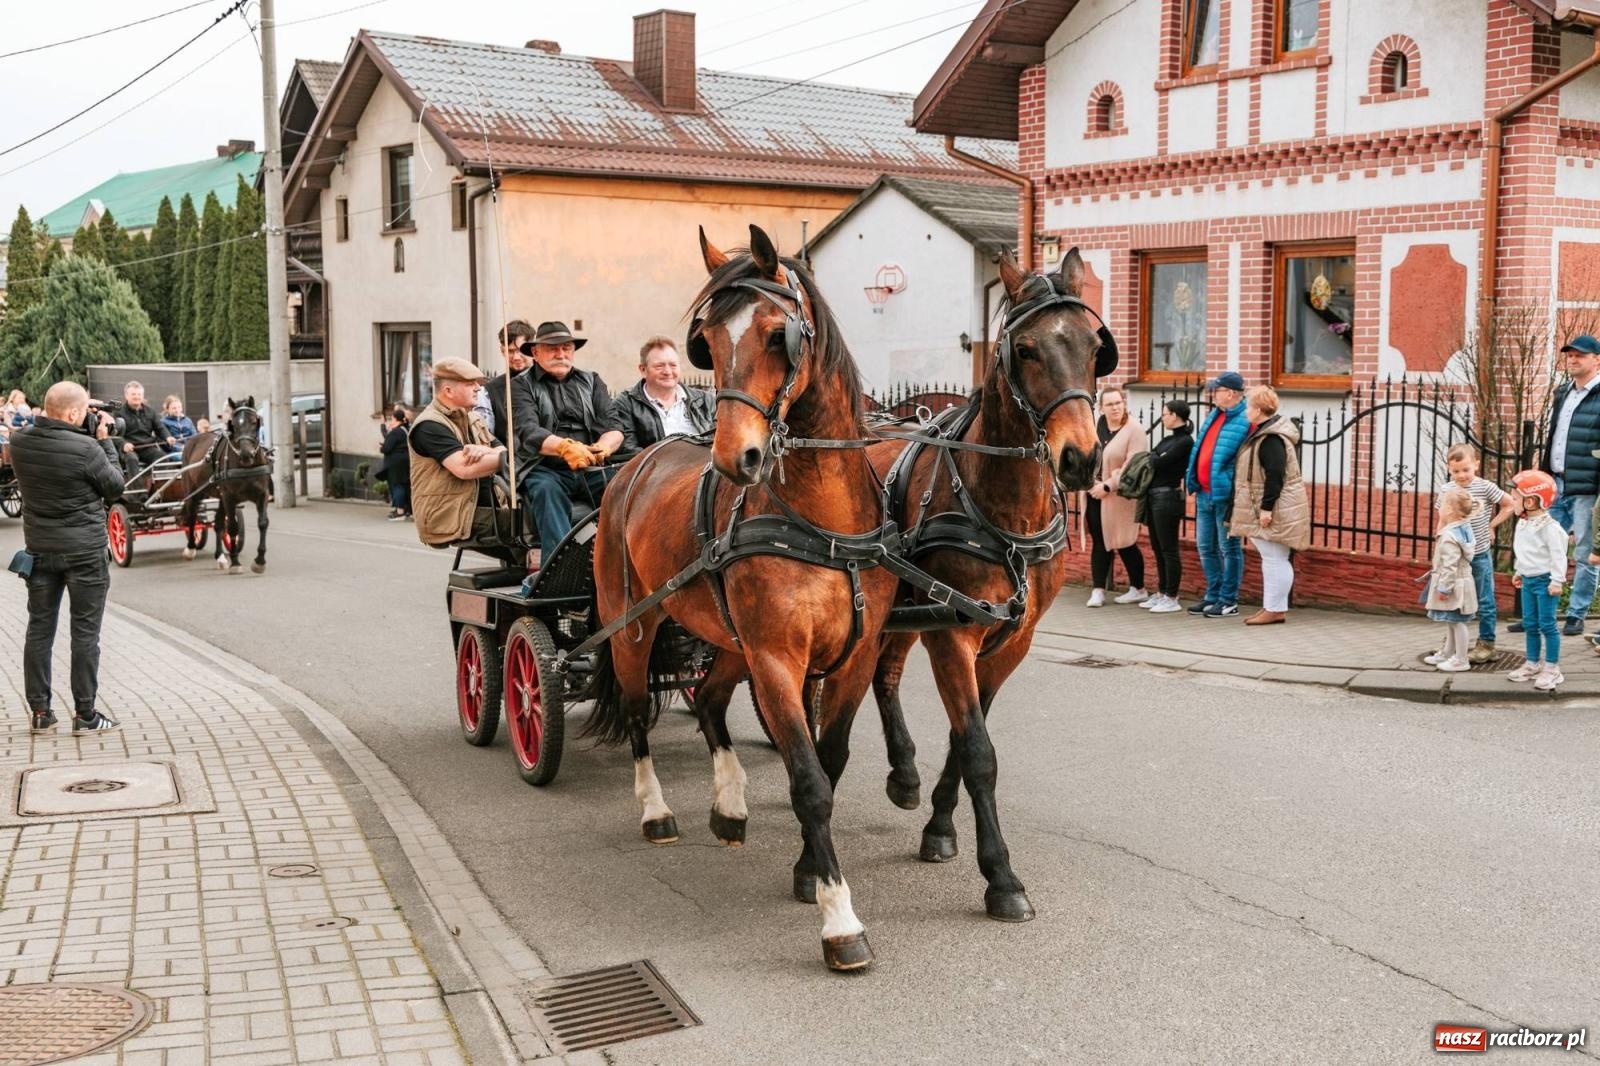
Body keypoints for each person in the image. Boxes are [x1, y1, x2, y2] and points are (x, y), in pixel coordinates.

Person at [8, 381, 124, 732]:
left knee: (39, 631)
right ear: (74, 413)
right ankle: (86, 715)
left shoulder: (19, 442)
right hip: (85, 554)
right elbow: (116, 487)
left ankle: (41, 713)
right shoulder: (88, 448)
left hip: (41, 551)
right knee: (85, 633)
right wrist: (105, 441)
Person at [509, 320, 625, 560]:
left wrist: (604, 446)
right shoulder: (520, 385)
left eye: (566, 348)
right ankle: (559, 568)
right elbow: (528, 430)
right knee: (546, 490)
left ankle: (621, 562)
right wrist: (563, 447)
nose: (560, 354)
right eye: (553, 348)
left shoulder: (592, 381)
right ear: (535, 352)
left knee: (625, 486)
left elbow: (614, 426)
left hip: (591, 467)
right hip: (544, 468)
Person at [1533, 334, 1600, 638]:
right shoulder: (1563, 392)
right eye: (1570, 355)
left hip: (1586, 486)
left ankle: (1576, 613)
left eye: (1580, 355)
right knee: (1545, 547)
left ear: (1596, 360)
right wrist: (1545, 473)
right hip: (1555, 483)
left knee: (1585, 552)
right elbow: (1555, 436)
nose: (1573, 359)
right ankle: (1540, 614)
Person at [1229, 386, 1310, 625]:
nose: (1245, 410)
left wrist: (1266, 509)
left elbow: (1275, 475)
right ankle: (1272, 607)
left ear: (1258, 409)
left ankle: (1275, 609)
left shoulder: (1271, 438)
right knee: (1272, 557)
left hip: (1273, 507)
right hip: (1268, 505)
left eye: (1248, 405)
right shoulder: (1264, 433)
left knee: (1275, 557)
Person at [407, 359, 508, 548]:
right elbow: (464, 469)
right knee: (526, 525)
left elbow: (501, 449)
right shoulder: (430, 425)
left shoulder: (474, 418)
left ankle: (534, 573)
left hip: (483, 509)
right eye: (471, 383)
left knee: (537, 519)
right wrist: (509, 459)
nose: (478, 388)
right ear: (448, 391)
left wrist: (486, 450)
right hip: (450, 515)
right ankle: (538, 577)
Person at [1434, 444, 1514, 662]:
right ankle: (1452, 644)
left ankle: (1487, 644)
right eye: (1456, 471)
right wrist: (1439, 546)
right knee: (1453, 597)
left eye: (1466, 470)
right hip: (1455, 557)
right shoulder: (1446, 490)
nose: (1461, 475)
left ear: (1476, 465)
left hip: (1478, 554)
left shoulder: (1485, 487)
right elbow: (1442, 518)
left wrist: (1491, 526)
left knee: (1485, 599)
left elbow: (1509, 505)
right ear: (1449, 469)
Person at [1186, 371, 1251, 617]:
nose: (1214, 394)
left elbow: (1243, 461)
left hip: (1225, 496)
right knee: (1205, 546)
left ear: (1231, 393)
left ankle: (1228, 600)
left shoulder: (1245, 420)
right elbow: (1201, 449)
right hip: (1204, 492)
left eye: (1218, 390)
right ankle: (1212, 595)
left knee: (1229, 548)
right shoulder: (1215, 415)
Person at [1084, 386, 1148, 607]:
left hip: (1119, 497)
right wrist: (1091, 482)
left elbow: (1133, 465)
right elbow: (1086, 456)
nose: (1115, 408)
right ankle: (1098, 589)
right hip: (1094, 493)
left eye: (1119, 403)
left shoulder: (1134, 430)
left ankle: (1138, 588)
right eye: (1110, 404)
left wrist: (1109, 486)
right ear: (1101, 408)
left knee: (1124, 542)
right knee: (1099, 541)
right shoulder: (1094, 427)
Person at [1506, 470, 1567, 690]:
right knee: (1530, 624)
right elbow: (1523, 551)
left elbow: (1559, 555)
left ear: (1531, 501)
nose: (1512, 501)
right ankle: (1532, 663)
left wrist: (1557, 581)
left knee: (1547, 625)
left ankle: (1552, 668)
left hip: (1545, 581)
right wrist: (1519, 570)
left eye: (1515, 498)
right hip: (1529, 580)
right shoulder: (1524, 523)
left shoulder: (1551, 528)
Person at [611, 335, 715, 451]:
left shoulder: (706, 401)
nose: (667, 371)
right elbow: (628, 451)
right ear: (643, 370)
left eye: (673, 365)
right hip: (655, 468)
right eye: (659, 366)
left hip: (705, 466)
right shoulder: (626, 404)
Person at [1142, 399, 1193, 614]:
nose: (1162, 418)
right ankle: (1162, 591)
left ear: (1175, 416)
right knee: (1156, 546)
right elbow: (1151, 457)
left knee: (1168, 548)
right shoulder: (1167, 439)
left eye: (1165, 414)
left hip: (1168, 498)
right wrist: (1156, 457)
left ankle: (1172, 596)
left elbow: (1158, 462)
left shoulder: (1185, 442)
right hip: (1153, 497)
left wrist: (1156, 458)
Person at [1424, 489, 1479, 674]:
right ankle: (1448, 652)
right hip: (1463, 581)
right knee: (1451, 620)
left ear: (1449, 510)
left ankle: (1461, 659)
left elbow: (1450, 565)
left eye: (1443, 504)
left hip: (1454, 584)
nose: (1439, 508)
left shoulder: (1449, 536)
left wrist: (1444, 588)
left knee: (1457, 621)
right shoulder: (1464, 528)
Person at [483, 319, 535, 445]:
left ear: (533, 349)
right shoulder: (491, 390)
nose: (516, 357)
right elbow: (487, 435)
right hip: (510, 461)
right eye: (510, 351)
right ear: (502, 350)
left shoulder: (548, 383)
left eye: (521, 350)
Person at [115, 380, 175, 478]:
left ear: (143, 396)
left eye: (139, 394)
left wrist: (168, 437)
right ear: (126, 395)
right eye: (133, 394)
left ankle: (157, 490)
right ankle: (138, 492)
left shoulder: (150, 412)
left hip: (147, 447)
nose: (137, 397)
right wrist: (124, 444)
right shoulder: (119, 413)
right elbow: (115, 435)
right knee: (132, 459)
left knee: (162, 458)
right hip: (129, 449)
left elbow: (160, 428)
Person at [378, 405, 412, 521]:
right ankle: (406, 509)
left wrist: (382, 448)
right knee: (404, 485)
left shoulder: (396, 432)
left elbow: (387, 448)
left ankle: (400, 511)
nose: (390, 421)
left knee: (397, 485)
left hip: (396, 464)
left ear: (396, 419)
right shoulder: (405, 430)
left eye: (391, 419)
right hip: (404, 462)